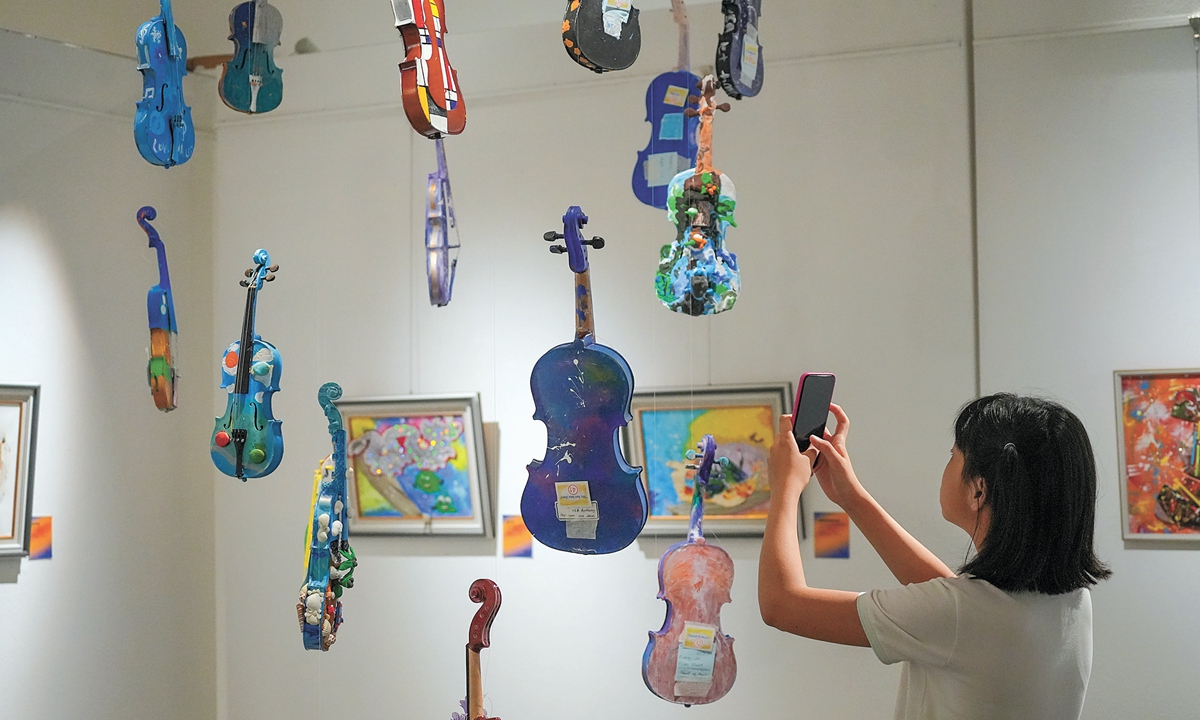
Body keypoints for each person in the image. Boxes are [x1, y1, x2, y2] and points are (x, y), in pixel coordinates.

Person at [758, 393, 1111, 720]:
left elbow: (781, 605)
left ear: (978, 489)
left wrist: (785, 489)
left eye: (953, 456)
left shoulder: (960, 614)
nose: (947, 464)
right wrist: (851, 497)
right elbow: (955, 600)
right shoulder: (1073, 600)